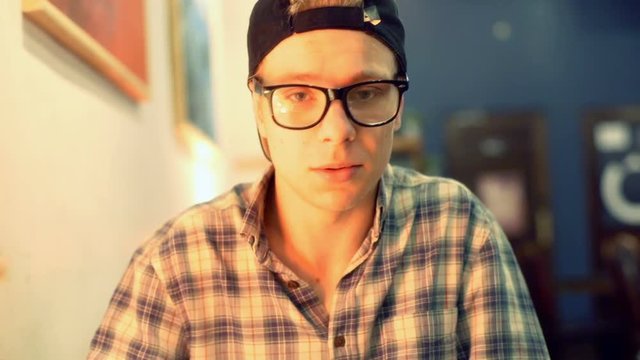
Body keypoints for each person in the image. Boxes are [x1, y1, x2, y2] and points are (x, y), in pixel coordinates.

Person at [88, 0, 550, 358]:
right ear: (260, 109)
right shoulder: (174, 266)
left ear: (399, 106)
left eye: (367, 92)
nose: (337, 132)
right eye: (298, 95)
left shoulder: (459, 230)